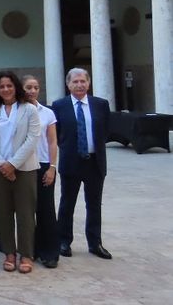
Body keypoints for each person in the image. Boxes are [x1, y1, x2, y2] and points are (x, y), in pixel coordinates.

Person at [0, 71, 40, 274]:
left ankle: (26, 254)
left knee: (25, 213)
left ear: (16, 87)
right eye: (1, 86)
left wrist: (13, 164)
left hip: (24, 169)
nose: (6, 89)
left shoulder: (29, 110)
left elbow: (33, 138)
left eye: (9, 85)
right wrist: (2, 164)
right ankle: (9, 252)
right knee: (3, 212)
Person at [53, 68, 112, 260]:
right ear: (68, 84)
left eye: (83, 81)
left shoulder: (100, 104)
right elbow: (57, 134)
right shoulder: (59, 105)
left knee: (94, 204)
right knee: (67, 204)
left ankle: (95, 243)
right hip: (71, 162)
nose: (79, 85)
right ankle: (63, 241)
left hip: (95, 162)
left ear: (89, 83)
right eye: (75, 82)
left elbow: (105, 131)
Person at [22, 75, 60, 268]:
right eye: (28, 87)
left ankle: (50, 252)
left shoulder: (47, 113)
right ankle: (31, 249)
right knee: (27, 211)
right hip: (23, 166)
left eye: (36, 87)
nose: (32, 91)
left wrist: (53, 167)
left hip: (44, 164)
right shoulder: (17, 111)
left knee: (46, 210)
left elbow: (53, 141)